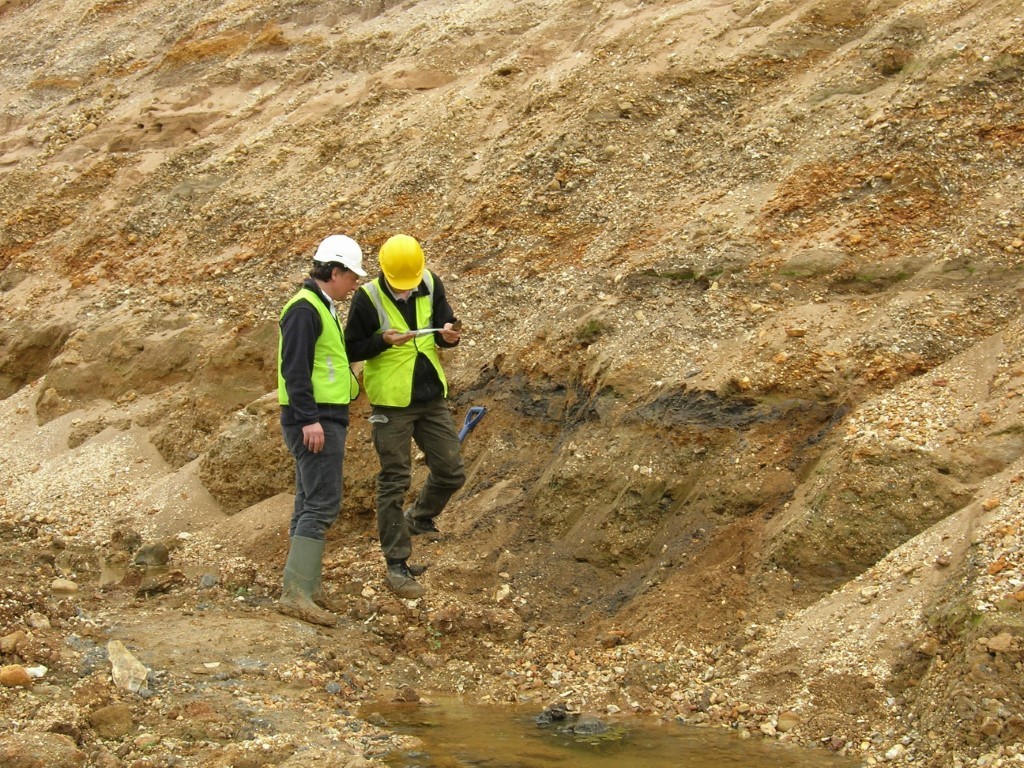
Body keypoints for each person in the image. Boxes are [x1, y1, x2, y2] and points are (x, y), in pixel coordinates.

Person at [345, 233, 466, 599]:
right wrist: (382, 341)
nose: (405, 291)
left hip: (430, 395)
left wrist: (450, 336)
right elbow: (352, 346)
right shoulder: (367, 299)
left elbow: (447, 326)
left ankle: (419, 518)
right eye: (400, 286)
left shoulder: (429, 281)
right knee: (394, 481)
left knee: (451, 471)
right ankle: (396, 564)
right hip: (391, 403)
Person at [276, 233, 366, 626]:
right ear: (334, 271)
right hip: (315, 420)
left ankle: (304, 586)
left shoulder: (319, 306)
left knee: (307, 499)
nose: (355, 284)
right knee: (322, 502)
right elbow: (294, 369)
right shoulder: (305, 309)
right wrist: (309, 418)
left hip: (321, 417)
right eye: (352, 276)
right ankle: (297, 593)